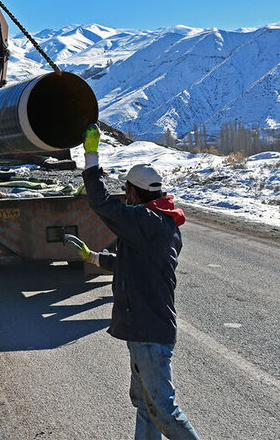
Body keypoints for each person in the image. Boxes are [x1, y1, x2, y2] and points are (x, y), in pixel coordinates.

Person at [65, 124, 201, 440]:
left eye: (126, 192)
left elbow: (100, 203)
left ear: (134, 192)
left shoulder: (147, 222)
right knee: (146, 405)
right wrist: (93, 257)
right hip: (147, 330)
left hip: (150, 332)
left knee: (165, 412)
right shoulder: (159, 224)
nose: (124, 198)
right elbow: (134, 265)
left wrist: (91, 156)